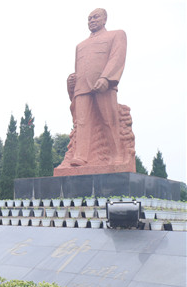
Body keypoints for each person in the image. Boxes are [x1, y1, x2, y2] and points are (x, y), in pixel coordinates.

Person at [60, 8, 128, 169]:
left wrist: (106, 78)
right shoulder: (80, 46)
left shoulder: (116, 35)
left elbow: (117, 57)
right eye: (89, 18)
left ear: (104, 19)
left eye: (95, 17)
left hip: (103, 85)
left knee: (109, 120)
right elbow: (79, 68)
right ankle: (80, 156)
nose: (91, 20)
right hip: (81, 87)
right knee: (82, 122)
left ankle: (117, 154)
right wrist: (72, 81)